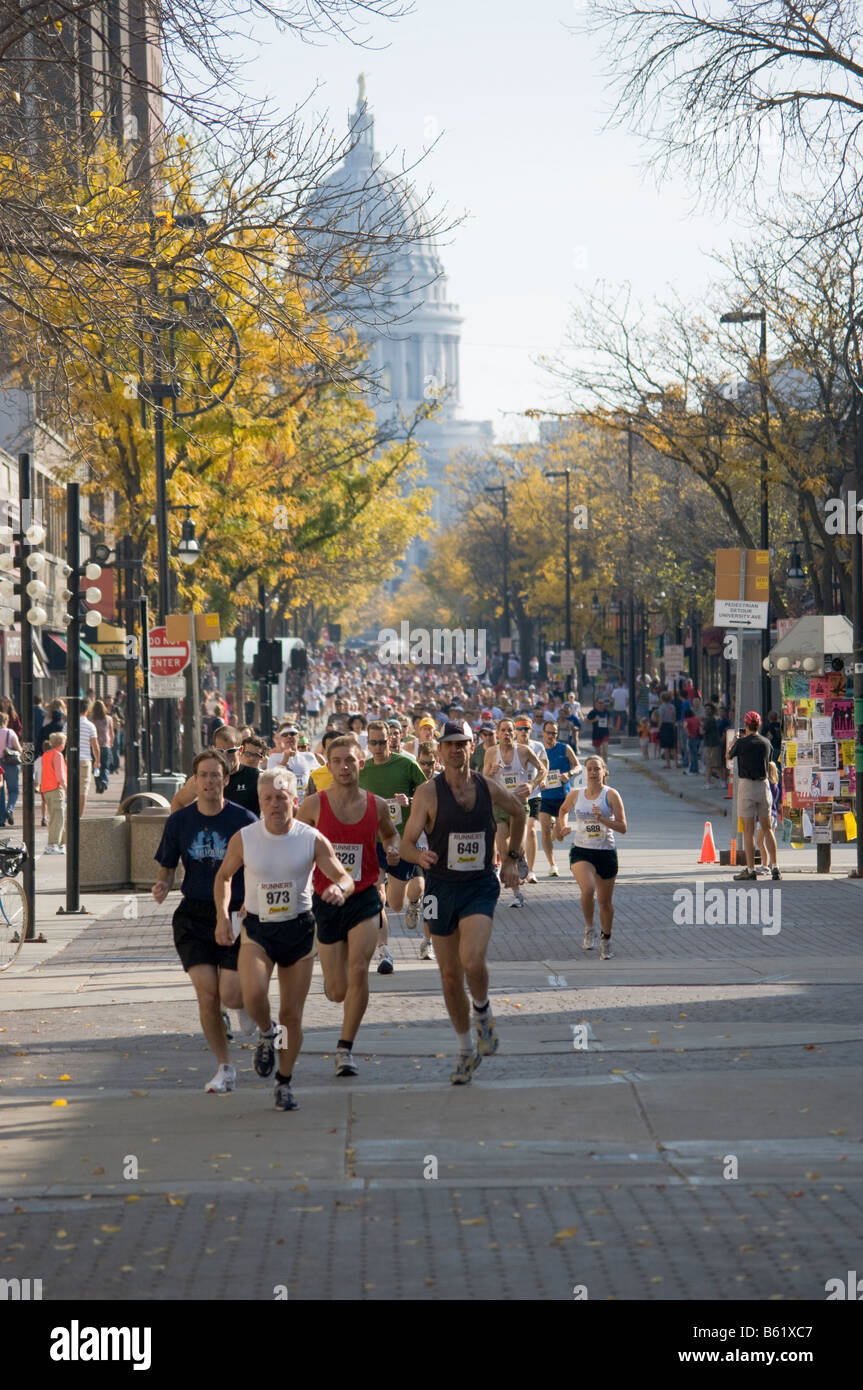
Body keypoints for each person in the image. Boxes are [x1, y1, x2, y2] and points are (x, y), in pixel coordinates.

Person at [214, 768, 356, 1111]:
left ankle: (284, 1082)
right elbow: (223, 877)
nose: (275, 805)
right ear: (260, 802)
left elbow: (343, 875)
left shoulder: (311, 838)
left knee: (293, 1014)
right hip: (258, 929)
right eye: (268, 799)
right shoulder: (245, 838)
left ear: (294, 799)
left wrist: (340, 888)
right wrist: (222, 917)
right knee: (252, 994)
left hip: (299, 929)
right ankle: (266, 1031)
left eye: (282, 798)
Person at [401, 720, 525, 1084]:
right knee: (450, 976)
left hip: (480, 885)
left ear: (472, 747)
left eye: (463, 743)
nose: (456, 750)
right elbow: (407, 843)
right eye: (450, 744)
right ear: (439, 750)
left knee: (472, 959)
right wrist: (418, 857)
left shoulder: (487, 787)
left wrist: (513, 858)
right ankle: (465, 1048)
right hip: (439, 889)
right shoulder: (427, 793)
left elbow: (519, 811)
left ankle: (483, 1012)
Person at [152, 749, 258, 1093]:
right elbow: (167, 867)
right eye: (203, 775)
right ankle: (224, 1067)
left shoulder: (244, 820)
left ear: (226, 780)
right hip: (194, 914)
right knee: (208, 995)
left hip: (235, 912)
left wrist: (252, 902)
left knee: (232, 994)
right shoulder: (179, 822)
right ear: (194, 781)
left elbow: (259, 867)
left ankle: (244, 1005)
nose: (210, 781)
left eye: (216, 775)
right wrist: (162, 885)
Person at [298, 736, 400, 1078]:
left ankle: (345, 1048)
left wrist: (394, 849)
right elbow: (294, 845)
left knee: (359, 969)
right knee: (336, 989)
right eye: (338, 761)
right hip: (326, 900)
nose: (344, 767)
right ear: (328, 766)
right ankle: (331, 983)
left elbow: (390, 835)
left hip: (364, 896)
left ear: (361, 764)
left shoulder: (377, 805)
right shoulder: (312, 806)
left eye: (351, 761)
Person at [359, 718, 428, 958]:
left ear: (390, 740)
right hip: (373, 841)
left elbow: (427, 791)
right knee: (377, 895)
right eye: (373, 743)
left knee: (396, 903)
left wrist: (409, 799)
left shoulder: (406, 764)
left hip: (401, 840)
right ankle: (383, 950)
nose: (378, 747)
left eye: (382, 742)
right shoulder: (363, 769)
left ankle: (414, 901)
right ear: (368, 744)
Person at [556, 755, 627, 959]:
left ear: (604, 771)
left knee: (605, 903)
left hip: (605, 852)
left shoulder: (611, 795)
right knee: (588, 889)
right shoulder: (576, 795)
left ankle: (606, 938)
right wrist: (561, 827)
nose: (593, 772)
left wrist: (603, 819)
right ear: (585, 772)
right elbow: (563, 810)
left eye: (597, 769)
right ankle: (589, 927)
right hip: (582, 850)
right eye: (590, 769)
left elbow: (623, 827)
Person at [483, 718, 545, 907]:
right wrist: (491, 770)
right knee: (501, 839)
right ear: (498, 733)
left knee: (516, 847)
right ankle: (516, 890)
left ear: (515, 733)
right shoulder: (492, 752)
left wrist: (532, 784)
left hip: (519, 805)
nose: (507, 734)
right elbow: (482, 777)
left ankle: (521, 857)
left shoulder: (524, 751)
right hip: (499, 804)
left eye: (510, 730)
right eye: (503, 730)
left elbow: (542, 769)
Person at [727, 712, 781, 881]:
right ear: (759, 724)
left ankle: (750, 869)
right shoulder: (766, 742)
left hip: (747, 786)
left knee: (749, 831)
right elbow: (770, 761)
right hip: (763, 786)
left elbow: (729, 756)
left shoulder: (741, 743)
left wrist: (734, 740)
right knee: (767, 828)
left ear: (747, 725)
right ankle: (775, 867)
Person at [536, 720, 581, 876]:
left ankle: (557, 829)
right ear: (543, 733)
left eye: (554, 733)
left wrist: (568, 774)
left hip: (563, 796)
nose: (551, 736)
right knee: (545, 829)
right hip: (544, 796)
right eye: (548, 732)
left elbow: (578, 766)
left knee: (561, 835)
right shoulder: (538, 750)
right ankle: (552, 865)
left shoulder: (564, 748)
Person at [41, 731, 68, 854]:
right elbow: (60, 776)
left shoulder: (46, 754)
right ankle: (53, 844)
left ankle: (62, 843)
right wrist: (67, 789)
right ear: (61, 743)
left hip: (46, 789)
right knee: (58, 818)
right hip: (57, 789)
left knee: (55, 817)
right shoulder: (58, 755)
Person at [78, 698, 101, 817]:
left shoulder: (68, 724)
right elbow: (95, 746)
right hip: (85, 759)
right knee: (84, 789)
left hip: (71, 760)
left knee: (72, 787)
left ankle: (71, 813)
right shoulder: (90, 726)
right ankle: (79, 816)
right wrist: (97, 761)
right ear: (87, 710)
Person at [0, 711, 22, 826]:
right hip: (9, 763)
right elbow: (19, 748)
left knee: (0, 791)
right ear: (6, 721)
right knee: (13, 790)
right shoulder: (10, 732)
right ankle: (10, 808)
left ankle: (1, 819)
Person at [91, 699, 114, 793]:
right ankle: (104, 781)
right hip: (105, 745)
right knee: (105, 766)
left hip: (94, 745)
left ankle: (98, 784)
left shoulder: (91, 719)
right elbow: (111, 732)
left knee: (96, 766)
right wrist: (112, 742)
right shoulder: (109, 718)